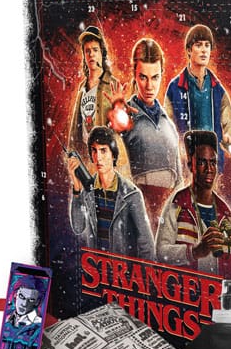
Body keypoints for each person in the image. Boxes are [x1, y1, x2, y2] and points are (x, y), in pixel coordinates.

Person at [155, 130, 231, 279]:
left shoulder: (225, 212)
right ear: (190, 165)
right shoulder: (177, 203)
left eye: (213, 163)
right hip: (186, 291)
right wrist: (195, 251)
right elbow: (161, 253)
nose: (209, 169)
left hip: (219, 293)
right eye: (201, 163)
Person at [122, 37, 182, 229]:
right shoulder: (124, 115)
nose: (149, 86)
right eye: (143, 77)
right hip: (139, 212)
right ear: (134, 74)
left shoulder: (167, 123)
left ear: (162, 74)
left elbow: (179, 179)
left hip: (168, 216)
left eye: (155, 77)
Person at [68, 126, 154, 260]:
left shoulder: (131, 195)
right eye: (94, 150)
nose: (98, 157)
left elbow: (146, 244)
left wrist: (143, 272)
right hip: (96, 268)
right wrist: (77, 188)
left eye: (103, 151)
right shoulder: (88, 191)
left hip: (123, 270)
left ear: (113, 155)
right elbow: (78, 227)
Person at [165, 25, 231, 170]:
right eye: (198, 45)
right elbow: (166, 125)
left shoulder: (217, 89)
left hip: (212, 166)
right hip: (185, 166)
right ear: (189, 50)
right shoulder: (174, 88)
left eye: (207, 45)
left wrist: (229, 136)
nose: (204, 50)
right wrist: (177, 147)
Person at [67, 25, 130, 177]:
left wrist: (120, 113)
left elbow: (125, 125)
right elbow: (77, 127)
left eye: (95, 50)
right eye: (87, 51)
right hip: (90, 159)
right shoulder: (82, 88)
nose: (91, 55)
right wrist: (72, 153)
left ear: (102, 53)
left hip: (113, 162)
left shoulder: (112, 85)